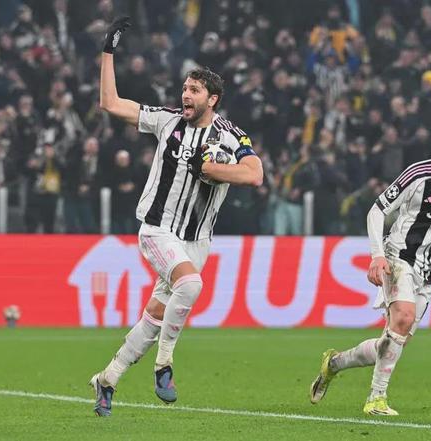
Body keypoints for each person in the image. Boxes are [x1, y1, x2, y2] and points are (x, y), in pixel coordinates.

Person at [89, 16, 263, 417]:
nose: (185, 94)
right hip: (157, 229)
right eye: (185, 88)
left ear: (212, 99)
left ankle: (108, 378)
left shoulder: (230, 136)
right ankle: (164, 365)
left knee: (155, 316)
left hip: (196, 240)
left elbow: (254, 174)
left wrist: (213, 169)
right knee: (191, 284)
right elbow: (111, 104)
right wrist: (108, 52)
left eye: (194, 90)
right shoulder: (167, 120)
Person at [309, 119, 431, 415]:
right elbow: (377, 210)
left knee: (391, 341)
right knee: (403, 318)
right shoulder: (419, 174)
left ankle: (334, 364)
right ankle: (376, 399)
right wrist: (377, 255)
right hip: (399, 257)